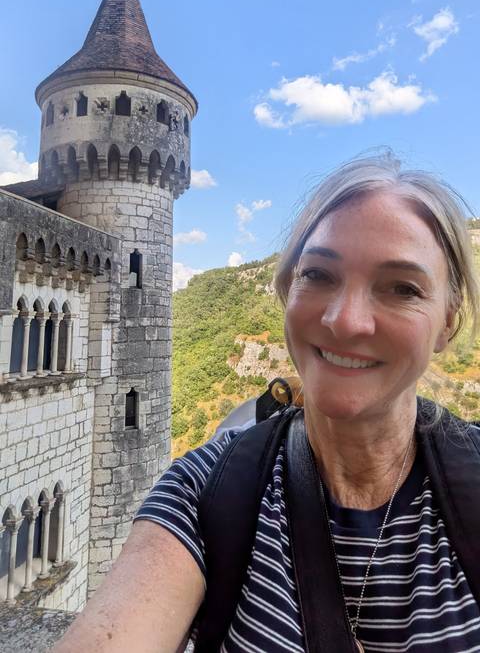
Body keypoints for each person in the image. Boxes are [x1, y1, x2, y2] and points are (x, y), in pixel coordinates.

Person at [54, 152, 480, 653]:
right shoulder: (206, 490)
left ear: (447, 323)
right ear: (285, 289)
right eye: (319, 275)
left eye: (402, 288)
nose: (345, 321)